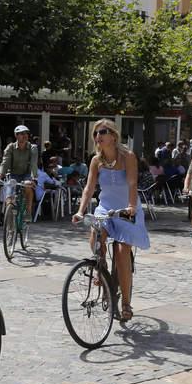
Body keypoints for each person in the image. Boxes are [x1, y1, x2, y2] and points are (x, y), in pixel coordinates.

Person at [73, 119, 149, 322]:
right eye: (96, 133)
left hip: (126, 209)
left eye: (103, 132)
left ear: (114, 136)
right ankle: (104, 276)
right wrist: (80, 211)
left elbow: (132, 183)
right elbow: (89, 188)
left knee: (122, 251)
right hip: (105, 208)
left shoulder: (128, 157)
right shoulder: (96, 161)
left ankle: (125, 303)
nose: (98, 136)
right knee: (96, 238)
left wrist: (132, 207)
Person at [0, 125, 39, 221]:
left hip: (26, 174)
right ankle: (9, 216)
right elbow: (5, 162)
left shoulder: (32, 148)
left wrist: (34, 178)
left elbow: (33, 164)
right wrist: (0, 175)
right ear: (16, 136)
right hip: (13, 174)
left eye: (26, 134)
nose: (25, 136)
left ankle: (28, 212)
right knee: (9, 194)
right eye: (22, 134)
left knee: (28, 186)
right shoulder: (10, 147)